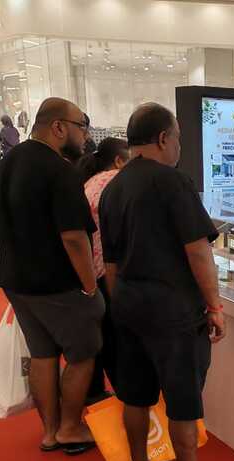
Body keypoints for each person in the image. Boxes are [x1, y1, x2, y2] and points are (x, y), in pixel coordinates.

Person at [99, 103, 234, 461]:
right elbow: (198, 251)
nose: (179, 145)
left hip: (127, 306)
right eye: (177, 137)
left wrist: (121, 305)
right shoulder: (173, 182)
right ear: (163, 138)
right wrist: (215, 306)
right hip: (173, 311)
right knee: (182, 400)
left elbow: (110, 263)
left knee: (135, 396)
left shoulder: (113, 188)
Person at [0, 97, 104, 455]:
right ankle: (70, 427)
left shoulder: (11, 160)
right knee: (82, 354)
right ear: (59, 127)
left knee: (42, 355)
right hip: (59, 285)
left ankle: (51, 431)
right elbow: (74, 237)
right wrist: (90, 287)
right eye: (81, 127)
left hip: (17, 279)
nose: (85, 136)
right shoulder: (59, 171)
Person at [77, 137, 130, 401]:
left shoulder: (91, 182)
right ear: (119, 160)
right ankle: (128, 396)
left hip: (91, 270)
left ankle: (95, 393)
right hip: (109, 272)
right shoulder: (117, 181)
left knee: (99, 337)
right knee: (115, 339)